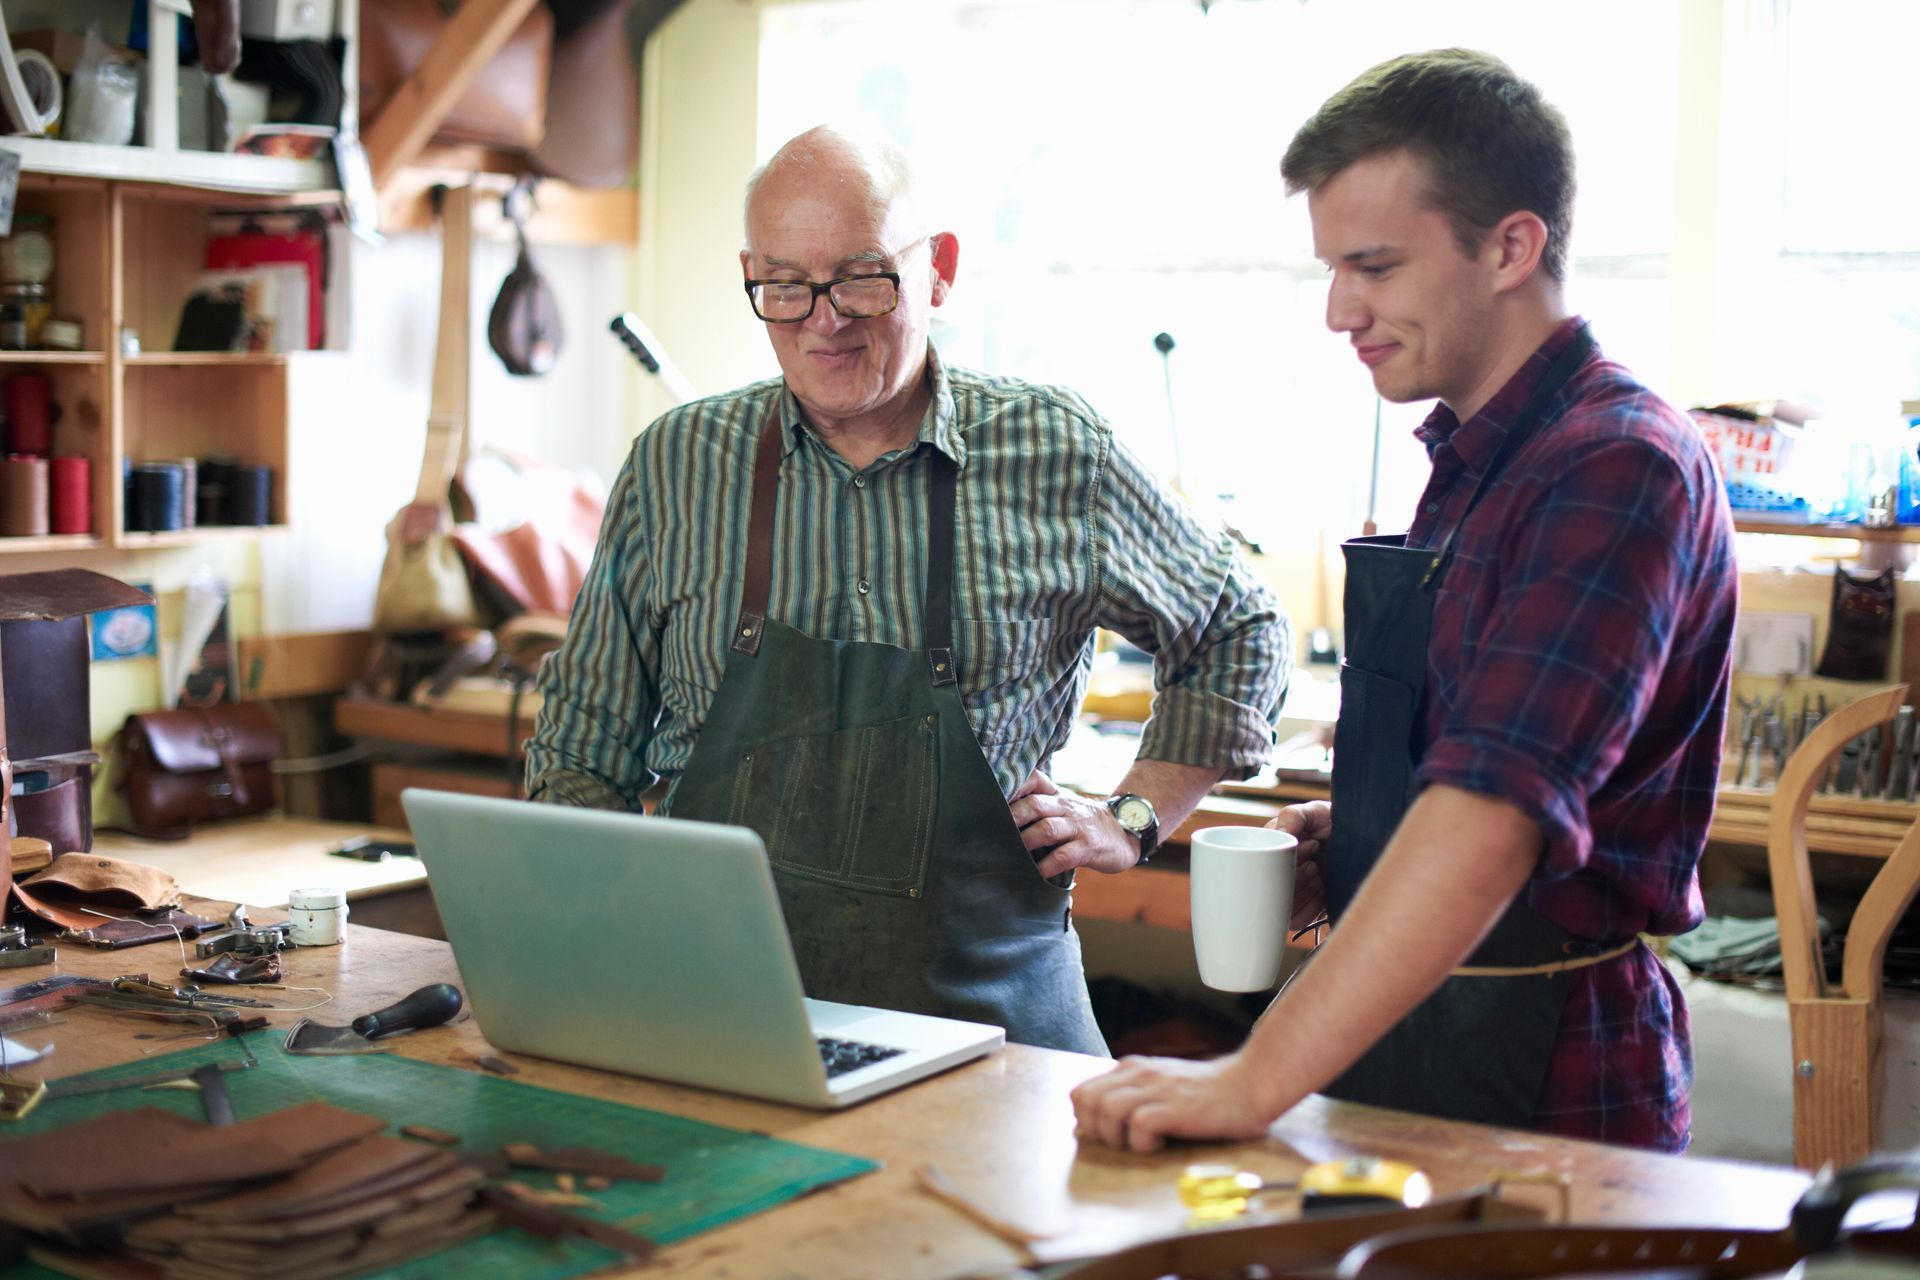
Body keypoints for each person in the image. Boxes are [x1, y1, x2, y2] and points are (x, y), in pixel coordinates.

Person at [1072, 49, 1735, 1151]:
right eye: (1332, 269)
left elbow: (1490, 821)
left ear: (1511, 246)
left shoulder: (1620, 466)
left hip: (1545, 1067)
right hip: (1408, 1045)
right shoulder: (1475, 463)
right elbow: (1464, 761)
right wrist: (1364, 837)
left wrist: (1246, 1082)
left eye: (1373, 266)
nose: (1340, 310)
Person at [524, 126, 1289, 1056]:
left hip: (998, 1034)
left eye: (861, 278)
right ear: (751, 275)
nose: (823, 319)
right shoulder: (678, 464)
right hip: (730, 1021)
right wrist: (598, 957)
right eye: (784, 285)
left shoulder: (1052, 450)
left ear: (940, 270)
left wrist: (1133, 815)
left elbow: (1238, 628)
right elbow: (579, 753)